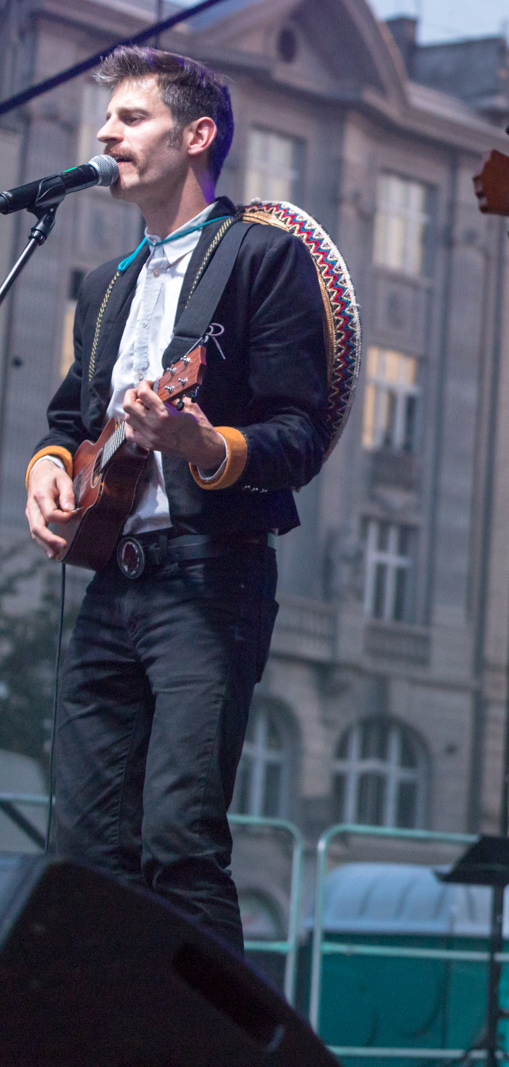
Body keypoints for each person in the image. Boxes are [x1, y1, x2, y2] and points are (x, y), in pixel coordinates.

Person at [23, 47, 330, 950]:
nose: (105, 134)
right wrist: (48, 466)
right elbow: (67, 420)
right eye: (105, 119)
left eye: (129, 118)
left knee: (180, 843)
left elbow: (299, 434)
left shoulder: (262, 259)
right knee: (83, 854)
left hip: (211, 579)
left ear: (197, 136)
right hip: (112, 582)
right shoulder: (105, 285)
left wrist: (203, 443)